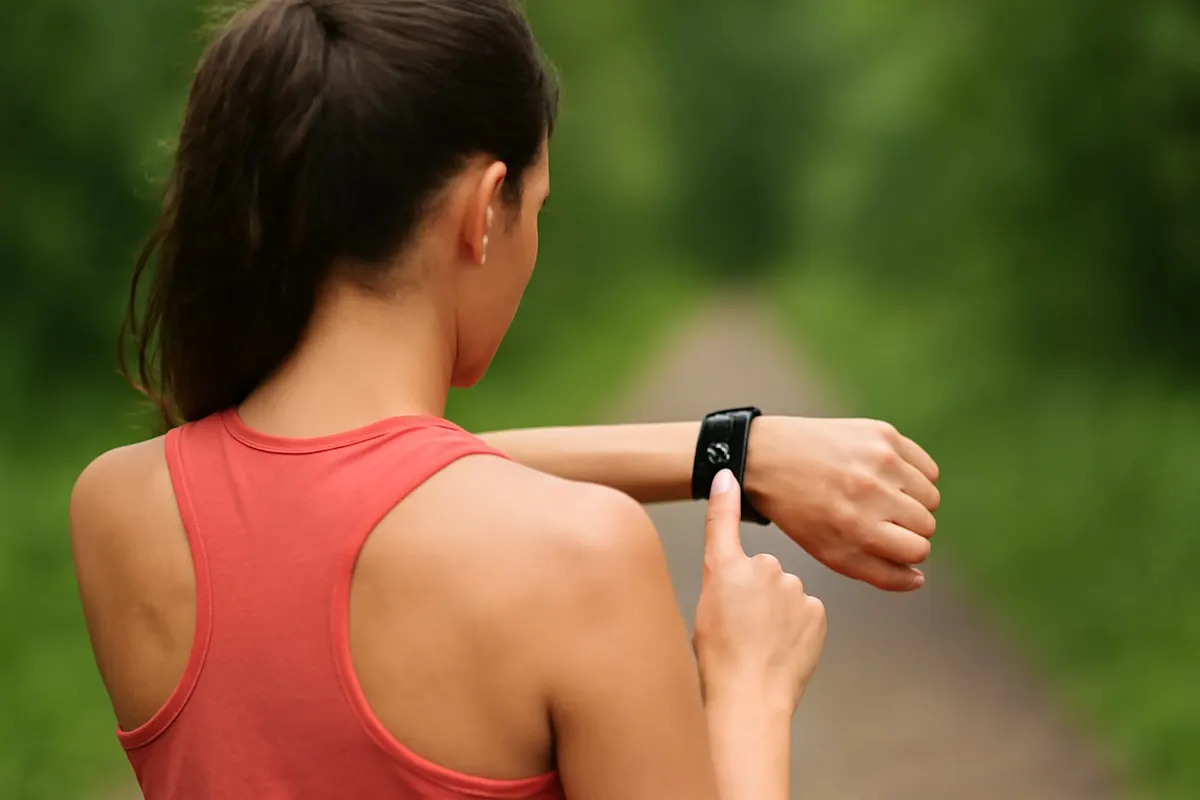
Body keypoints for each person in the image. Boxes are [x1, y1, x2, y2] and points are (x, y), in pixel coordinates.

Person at [69, 1, 939, 798]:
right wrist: (751, 694)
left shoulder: (115, 509)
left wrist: (738, 452)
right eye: (539, 207)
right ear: (485, 212)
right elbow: (397, 488)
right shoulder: (583, 561)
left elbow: (348, 488)